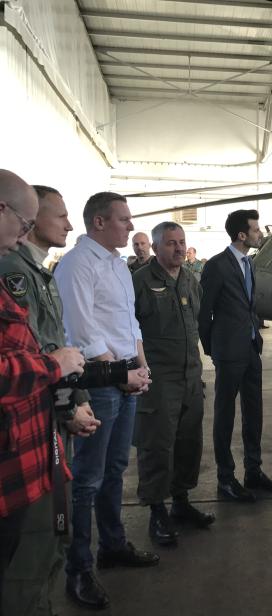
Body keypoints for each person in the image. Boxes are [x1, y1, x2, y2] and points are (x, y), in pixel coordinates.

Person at [0, 185, 101, 616]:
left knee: (49, 544)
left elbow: (53, 346)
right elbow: (44, 354)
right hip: (24, 442)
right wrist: (68, 400)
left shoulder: (37, 272)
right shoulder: (13, 272)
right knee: (28, 561)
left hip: (44, 432)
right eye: (57, 216)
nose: (68, 225)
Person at [55, 192, 155, 611]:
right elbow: (82, 329)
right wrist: (120, 373)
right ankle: (78, 567)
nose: (130, 227)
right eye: (123, 220)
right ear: (99, 222)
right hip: (100, 382)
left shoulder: (115, 264)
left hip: (125, 375)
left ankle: (112, 545)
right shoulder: (77, 265)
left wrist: (142, 368)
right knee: (88, 478)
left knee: (115, 468)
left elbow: (129, 321)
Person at [133, 222, 214, 547]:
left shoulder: (190, 279)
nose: (178, 248)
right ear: (155, 248)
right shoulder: (140, 282)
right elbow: (129, 331)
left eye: (181, 242)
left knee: (188, 442)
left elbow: (194, 324)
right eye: (170, 243)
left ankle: (180, 502)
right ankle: (156, 510)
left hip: (190, 375)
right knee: (157, 446)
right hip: (159, 378)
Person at [199, 209, 272, 502]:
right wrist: (214, 349)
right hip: (228, 352)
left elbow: (249, 306)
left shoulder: (249, 264)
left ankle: (253, 470)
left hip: (250, 349)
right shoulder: (216, 266)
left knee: (254, 412)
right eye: (256, 229)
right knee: (224, 416)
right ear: (242, 235)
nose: (259, 233)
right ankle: (225, 478)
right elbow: (204, 312)